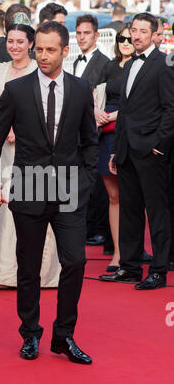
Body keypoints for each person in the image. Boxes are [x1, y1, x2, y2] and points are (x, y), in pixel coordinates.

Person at [0, 21, 97, 364]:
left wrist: (86, 181)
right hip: (29, 189)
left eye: (50, 49)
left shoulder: (80, 88)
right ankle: (30, 333)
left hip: (70, 191)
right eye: (39, 49)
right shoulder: (17, 90)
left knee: (75, 261)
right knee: (28, 267)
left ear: (65, 51)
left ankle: (64, 335)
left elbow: (90, 140)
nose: (42, 55)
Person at [0, 16, 60, 288]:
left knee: (32, 209)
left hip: (34, 153)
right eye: (11, 41)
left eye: (21, 42)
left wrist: (20, 128)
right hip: (1, 153)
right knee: (1, 211)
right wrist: (0, 125)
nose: (15, 46)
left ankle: (34, 273)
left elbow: (52, 110)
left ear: (31, 44)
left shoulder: (41, 72)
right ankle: (1, 272)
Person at [99, 12, 174, 290]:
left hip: (151, 151)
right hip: (127, 151)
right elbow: (126, 112)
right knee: (130, 211)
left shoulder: (163, 64)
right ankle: (129, 267)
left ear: (154, 34)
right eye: (134, 30)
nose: (138, 35)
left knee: (156, 213)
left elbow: (170, 109)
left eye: (143, 30)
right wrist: (116, 151)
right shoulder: (129, 65)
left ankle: (158, 271)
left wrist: (159, 146)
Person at [94, 23, 135, 272]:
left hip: (128, 133)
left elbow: (141, 102)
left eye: (130, 38)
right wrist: (96, 112)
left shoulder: (140, 66)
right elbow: (94, 94)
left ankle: (132, 252)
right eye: (122, 38)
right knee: (113, 196)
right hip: (105, 134)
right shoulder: (108, 66)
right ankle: (118, 254)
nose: (126, 42)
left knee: (131, 196)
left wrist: (113, 116)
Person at [73, 14, 111, 250]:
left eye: (86, 33)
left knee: (96, 183)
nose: (81, 37)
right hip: (75, 132)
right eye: (78, 33)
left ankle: (98, 229)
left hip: (95, 131)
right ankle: (87, 225)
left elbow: (106, 98)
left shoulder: (104, 63)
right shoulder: (76, 61)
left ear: (96, 36)